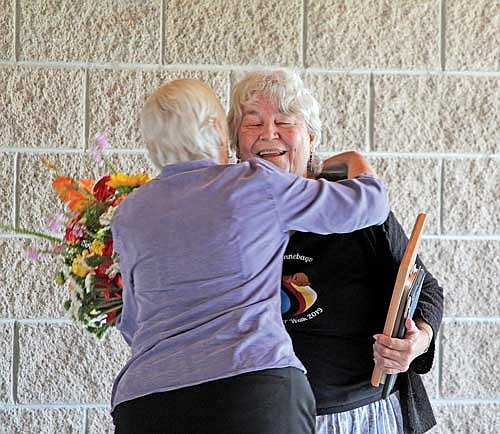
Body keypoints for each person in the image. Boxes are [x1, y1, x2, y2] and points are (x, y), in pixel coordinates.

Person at [110, 78, 390, 434]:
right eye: (253, 123)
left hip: (147, 401)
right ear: (217, 129)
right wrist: (355, 163)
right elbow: (371, 204)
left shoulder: (130, 213)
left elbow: (133, 322)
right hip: (250, 389)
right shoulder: (255, 183)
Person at [228, 70, 444, 434]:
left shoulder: (357, 205)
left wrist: (416, 340)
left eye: (283, 121)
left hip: (363, 414)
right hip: (262, 417)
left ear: (311, 140)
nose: (268, 133)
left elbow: (425, 289)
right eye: (253, 123)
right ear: (236, 144)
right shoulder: (224, 217)